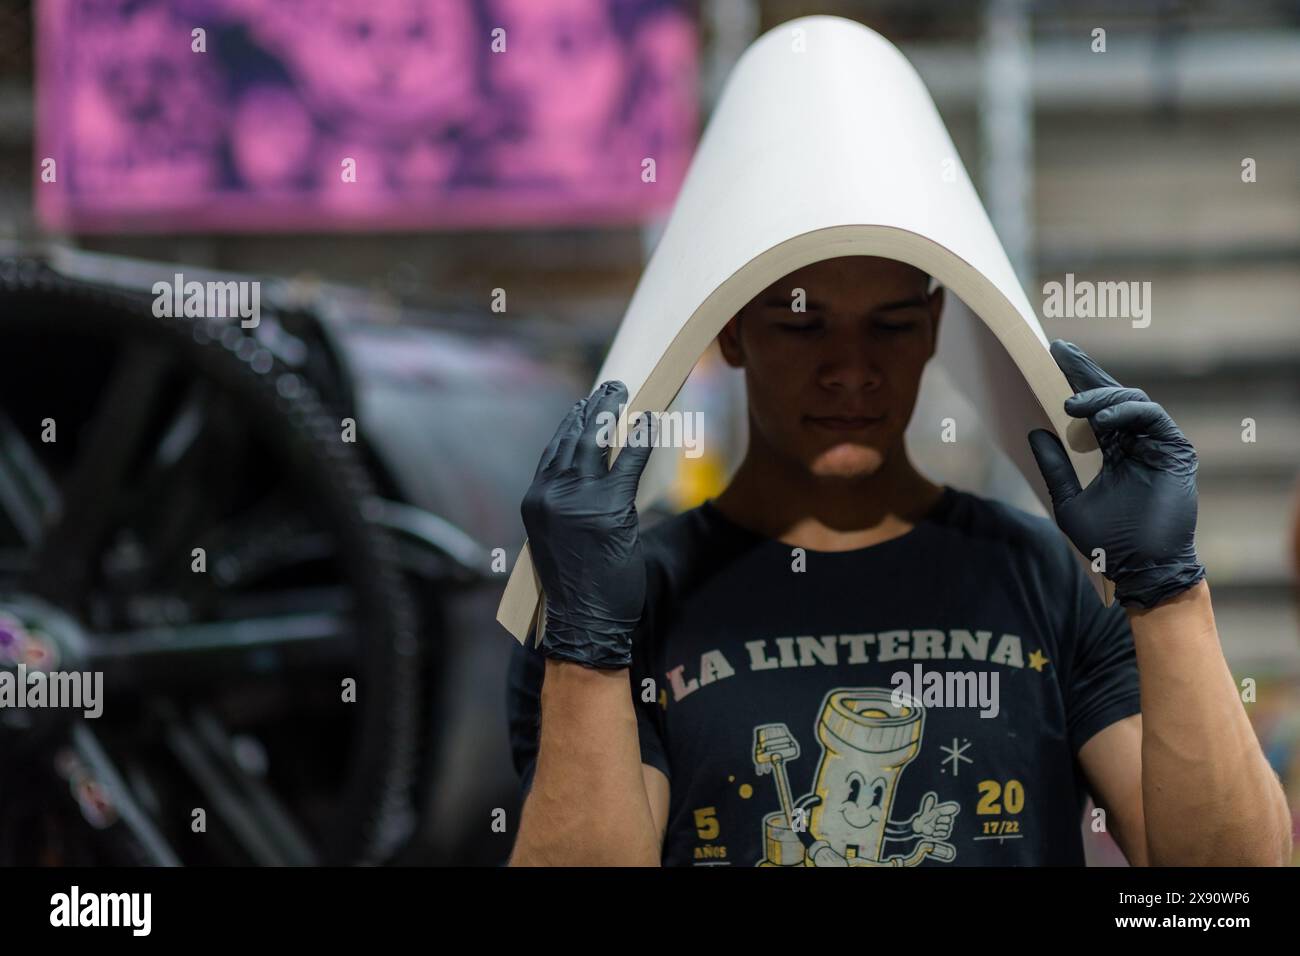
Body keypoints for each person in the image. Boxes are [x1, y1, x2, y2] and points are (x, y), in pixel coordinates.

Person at [505, 255, 1291, 867]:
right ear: (733, 332)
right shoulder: (630, 604)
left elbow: (1222, 895)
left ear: (933, 322)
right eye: (803, 325)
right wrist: (584, 649)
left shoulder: (1040, 580)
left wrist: (1169, 593)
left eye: (890, 324)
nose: (852, 369)